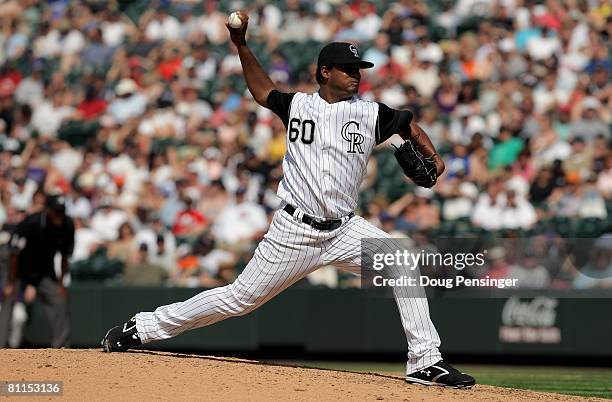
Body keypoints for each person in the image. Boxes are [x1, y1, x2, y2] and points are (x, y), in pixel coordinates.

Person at [101, 11, 475, 389]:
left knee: (401, 262)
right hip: (294, 231)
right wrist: (241, 45)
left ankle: (425, 361)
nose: (356, 74)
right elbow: (262, 90)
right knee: (239, 299)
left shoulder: (370, 113)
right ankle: (144, 327)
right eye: (348, 68)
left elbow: (409, 124)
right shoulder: (298, 106)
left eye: (359, 68)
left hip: (344, 229)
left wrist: (435, 156)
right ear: (325, 72)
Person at [0, 194, 74, 348]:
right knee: (8, 299)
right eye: (56, 211)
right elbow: (14, 253)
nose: (58, 215)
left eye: (61, 211)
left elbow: (65, 256)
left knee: (59, 299)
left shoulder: (67, 225)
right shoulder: (32, 222)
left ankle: (61, 347)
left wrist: (61, 283)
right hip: (19, 268)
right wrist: (10, 282)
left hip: (44, 271)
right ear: (47, 210)